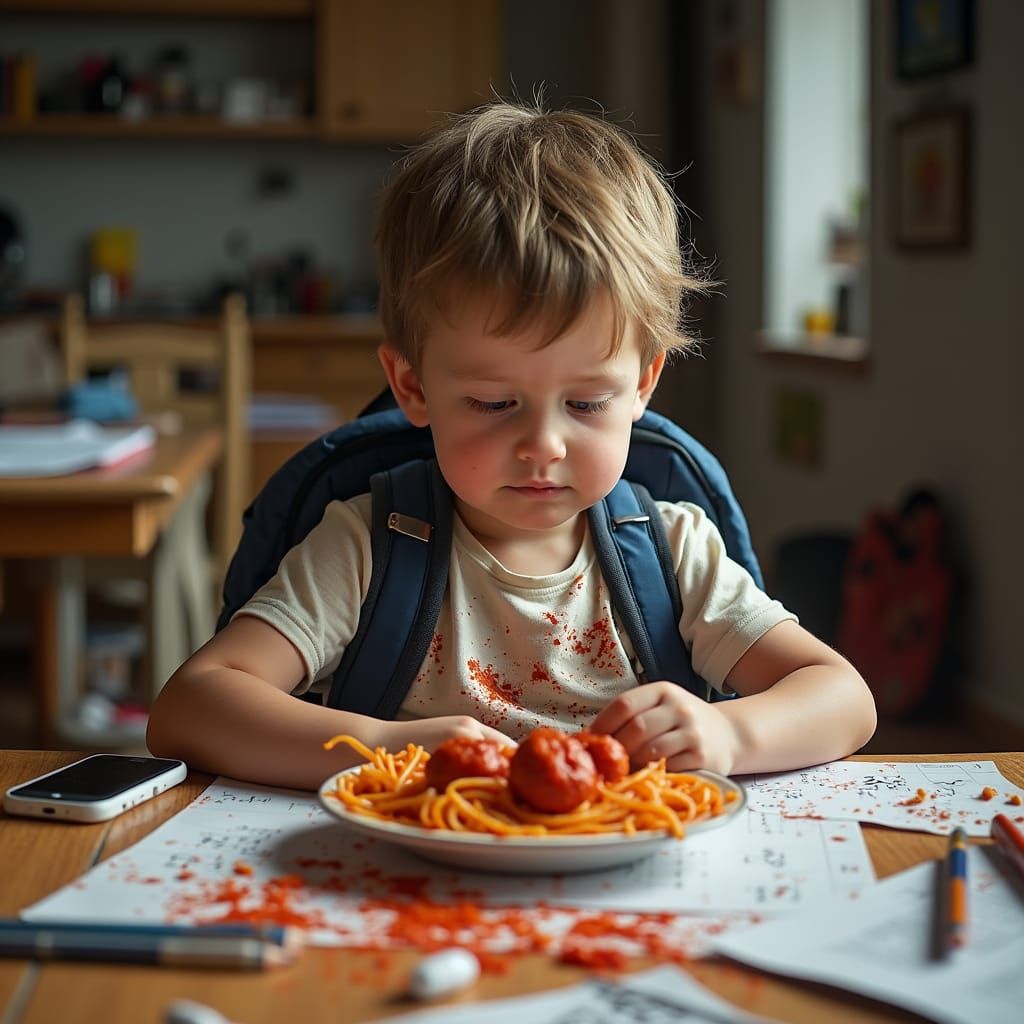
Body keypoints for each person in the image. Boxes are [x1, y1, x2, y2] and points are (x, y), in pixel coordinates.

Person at [147, 99, 876, 791]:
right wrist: (379, 747)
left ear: (644, 386)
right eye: (496, 403)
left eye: (587, 402)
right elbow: (191, 707)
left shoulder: (671, 551)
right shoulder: (368, 547)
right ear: (413, 388)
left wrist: (728, 736)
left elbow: (844, 697)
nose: (543, 446)